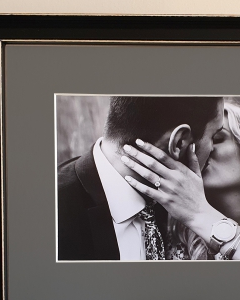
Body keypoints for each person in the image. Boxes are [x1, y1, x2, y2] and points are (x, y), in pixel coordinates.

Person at [57, 96, 224, 261]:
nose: (213, 149)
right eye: (214, 137)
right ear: (179, 142)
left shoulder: (176, 199)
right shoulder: (56, 214)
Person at [121, 102, 240, 260]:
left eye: (216, 138)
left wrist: (201, 214)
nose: (200, 149)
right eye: (192, 141)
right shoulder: (166, 234)